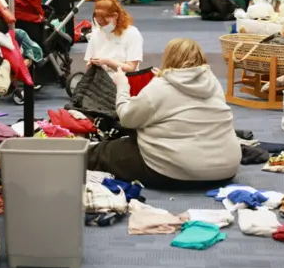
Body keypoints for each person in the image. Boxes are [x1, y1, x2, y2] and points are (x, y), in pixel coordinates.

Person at [87, 38, 241, 189]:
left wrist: (122, 87)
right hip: (226, 170)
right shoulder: (213, 84)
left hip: (174, 172)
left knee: (102, 152)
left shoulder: (159, 88)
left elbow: (127, 118)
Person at [84, 0, 143, 77]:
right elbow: (90, 59)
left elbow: (131, 68)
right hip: (100, 80)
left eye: (105, 22)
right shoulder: (97, 33)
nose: (102, 26)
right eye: (99, 23)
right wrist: (91, 63)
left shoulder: (131, 33)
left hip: (125, 80)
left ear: (115, 15)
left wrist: (108, 62)